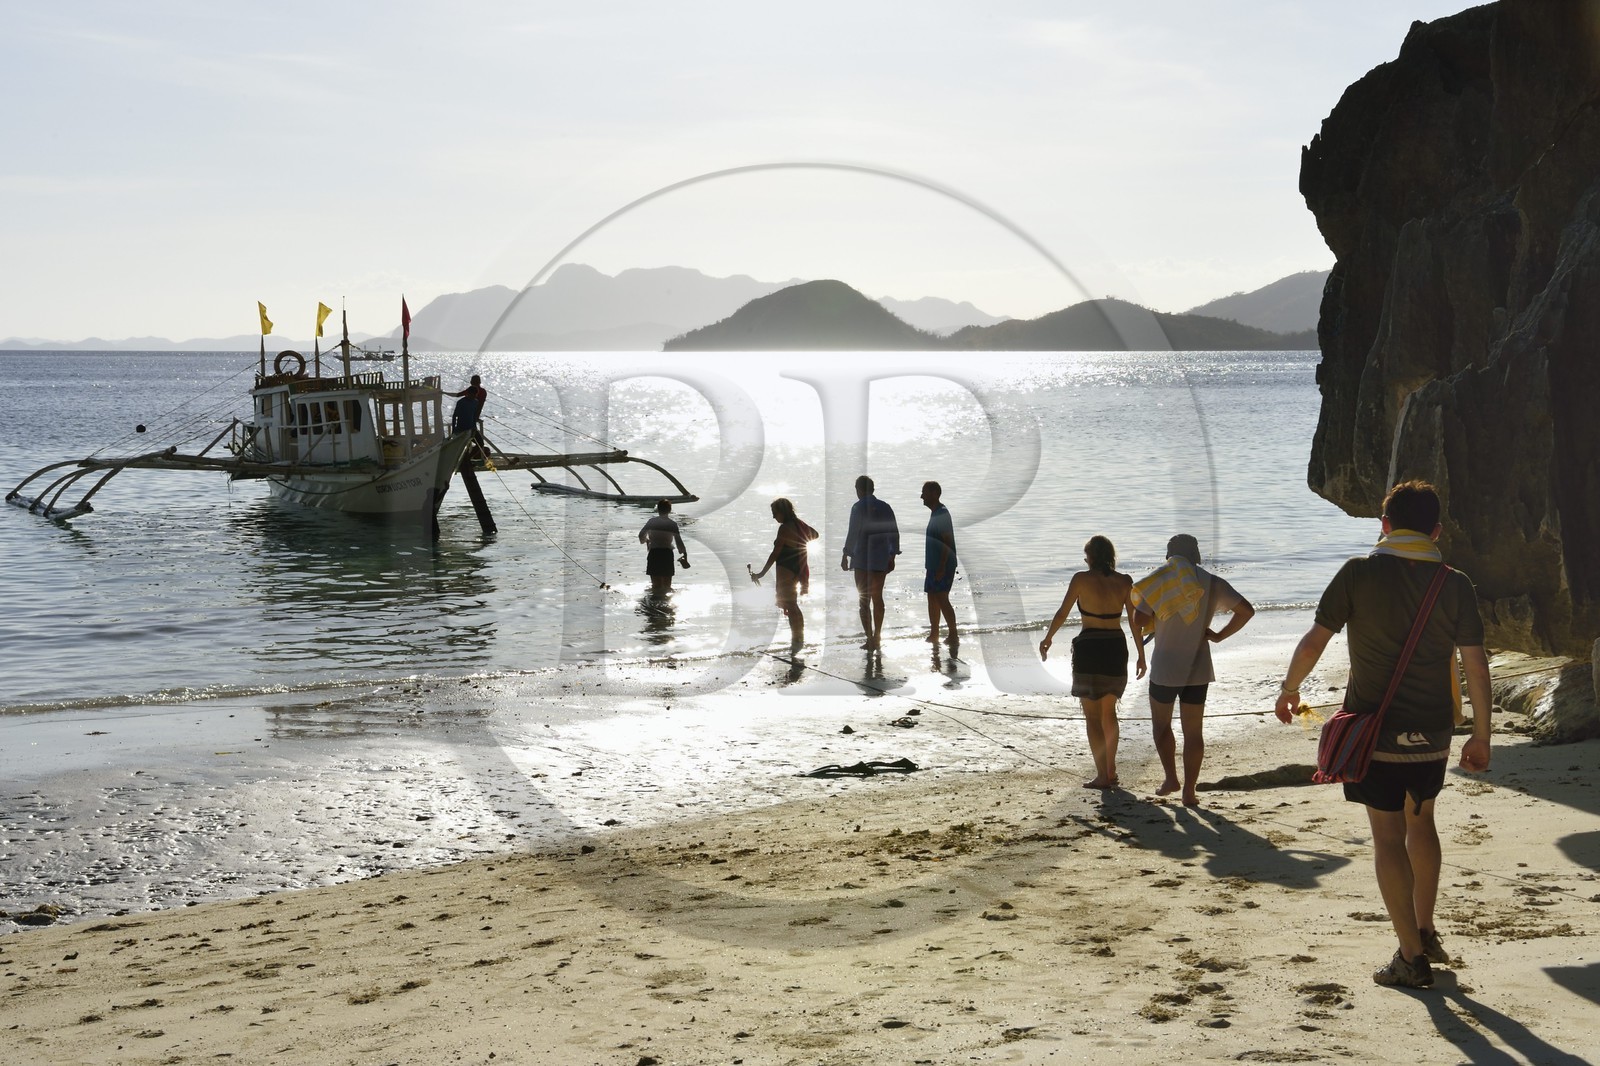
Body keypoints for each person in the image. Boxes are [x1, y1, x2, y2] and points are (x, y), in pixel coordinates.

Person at [1274, 480, 1492, 990]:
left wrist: (1289, 689)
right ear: (1436, 531)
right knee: (1423, 822)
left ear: (1384, 525)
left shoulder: (1357, 574)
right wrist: (1482, 735)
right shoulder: (1454, 583)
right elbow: (1476, 667)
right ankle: (1424, 928)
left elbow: (1314, 641)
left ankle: (1411, 959)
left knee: (1388, 837)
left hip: (1376, 731)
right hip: (1434, 731)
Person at [1133, 534, 1255, 807]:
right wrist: (1220, 636)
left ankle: (1170, 779)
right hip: (1198, 668)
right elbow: (1246, 611)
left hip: (1165, 666)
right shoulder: (1212, 583)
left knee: (1161, 726)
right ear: (1196, 556)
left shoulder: (1161, 580)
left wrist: (1157, 608)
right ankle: (1189, 791)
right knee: (1194, 732)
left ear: (1170, 556)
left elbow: (1139, 620)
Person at [1039, 535, 1147, 789]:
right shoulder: (1125, 582)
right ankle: (1110, 770)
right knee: (1109, 713)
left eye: (1086, 554)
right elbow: (1135, 622)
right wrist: (1141, 654)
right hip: (1115, 648)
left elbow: (1063, 612)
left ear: (1092, 556)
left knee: (1092, 716)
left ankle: (1102, 775)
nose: (1084, 559)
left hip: (1089, 648)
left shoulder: (1080, 579)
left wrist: (1048, 638)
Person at [840, 474, 900, 652]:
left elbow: (853, 532)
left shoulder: (858, 507)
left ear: (858, 490)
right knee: (877, 598)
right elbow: (894, 532)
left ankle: (869, 638)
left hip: (861, 559)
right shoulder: (885, 507)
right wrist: (892, 555)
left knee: (863, 601)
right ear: (872, 489)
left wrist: (846, 554)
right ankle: (878, 636)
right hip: (880, 558)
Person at [750, 497, 819, 649]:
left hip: (785, 570)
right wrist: (800, 541)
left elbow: (775, 554)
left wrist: (761, 574)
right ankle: (798, 638)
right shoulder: (798, 524)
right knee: (793, 605)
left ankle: (797, 641)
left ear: (782, 512)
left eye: (775, 513)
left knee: (791, 605)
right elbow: (815, 534)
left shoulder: (784, 528)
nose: (773, 516)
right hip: (797, 568)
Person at [921, 481, 959, 649]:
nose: (922, 496)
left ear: (935, 493)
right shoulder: (935, 513)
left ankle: (953, 634)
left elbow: (947, 541)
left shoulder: (942, 513)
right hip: (933, 565)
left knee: (942, 598)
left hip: (943, 565)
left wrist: (943, 566)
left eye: (925, 492)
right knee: (932, 597)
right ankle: (934, 633)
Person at [638, 499, 688, 595]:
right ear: (669, 510)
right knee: (667, 586)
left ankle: (654, 605)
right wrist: (684, 554)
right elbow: (679, 542)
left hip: (654, 554)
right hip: (667, 555)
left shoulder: (652, 522)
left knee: (656, 586)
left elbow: (641, 536)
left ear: (658, 510)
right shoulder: (672, 524)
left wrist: (646, 541)